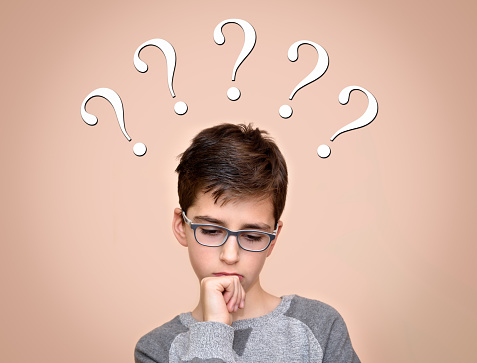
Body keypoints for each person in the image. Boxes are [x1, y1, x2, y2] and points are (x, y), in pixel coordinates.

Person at [134, 123, 360, 362]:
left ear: (273, 239)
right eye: (211, 231)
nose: (230, 255)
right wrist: (213, 332)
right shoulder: (157, 349)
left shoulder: (320, 327)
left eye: (252, 236)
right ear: (181, 225)